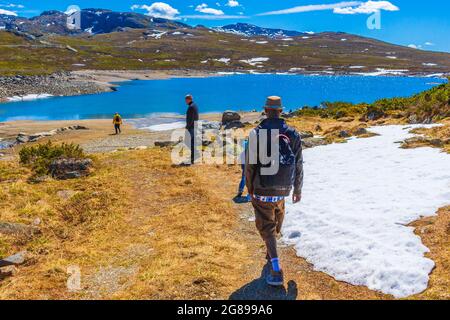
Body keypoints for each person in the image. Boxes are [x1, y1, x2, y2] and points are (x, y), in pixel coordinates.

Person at [245, 96, 303, 287]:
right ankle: (271, 253)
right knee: (277, 215)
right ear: (280, 111)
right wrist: (297, 188)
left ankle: (276, 270)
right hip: (283, 189)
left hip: (262, 187)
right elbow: (298, 164)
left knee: (267, 227)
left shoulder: (257, 133)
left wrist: (250, 186)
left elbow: (250, 165)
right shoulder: (293, 134)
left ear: (266, 111)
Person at [185, 94, 199, 165]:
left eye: (186, 100)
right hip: (195, 126)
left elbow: (190, 119)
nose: (185, 101)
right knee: (192, 142)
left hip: (191, 127)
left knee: (189, 142)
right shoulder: (195, 105)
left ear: (189, 99)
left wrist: (187, 127)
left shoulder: (191, 107)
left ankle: (193, 158)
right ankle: (195, 156)